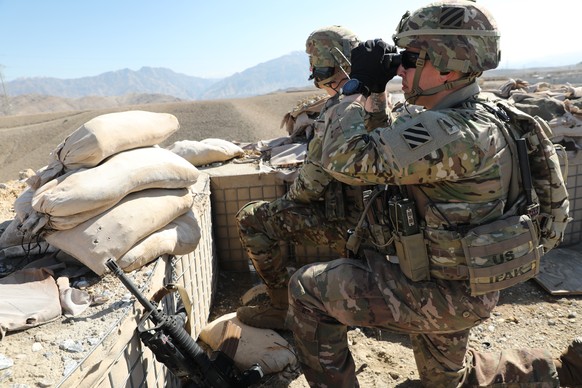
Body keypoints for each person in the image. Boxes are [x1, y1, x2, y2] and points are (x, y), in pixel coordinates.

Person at [287, 1, 582, 387]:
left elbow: (346, 160)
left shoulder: (457, 132)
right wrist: (376, 93)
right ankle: (556, 372)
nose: (399, 67)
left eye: (410, 58)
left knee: (306, 289)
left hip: (442, 292)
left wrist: (351, 90)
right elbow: (388, 147)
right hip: (465, 277)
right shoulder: (481, 111)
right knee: (444, 382)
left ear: (448, 65)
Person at [235, 25, 393, 330]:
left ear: (334, 66)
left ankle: (281, 309)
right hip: (384, 225)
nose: (316, 74)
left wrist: (286, 202)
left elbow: (309, 186)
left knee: (252, 219)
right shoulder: (378, 98)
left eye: (318, 67)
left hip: (355, 227)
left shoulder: (340, 109)